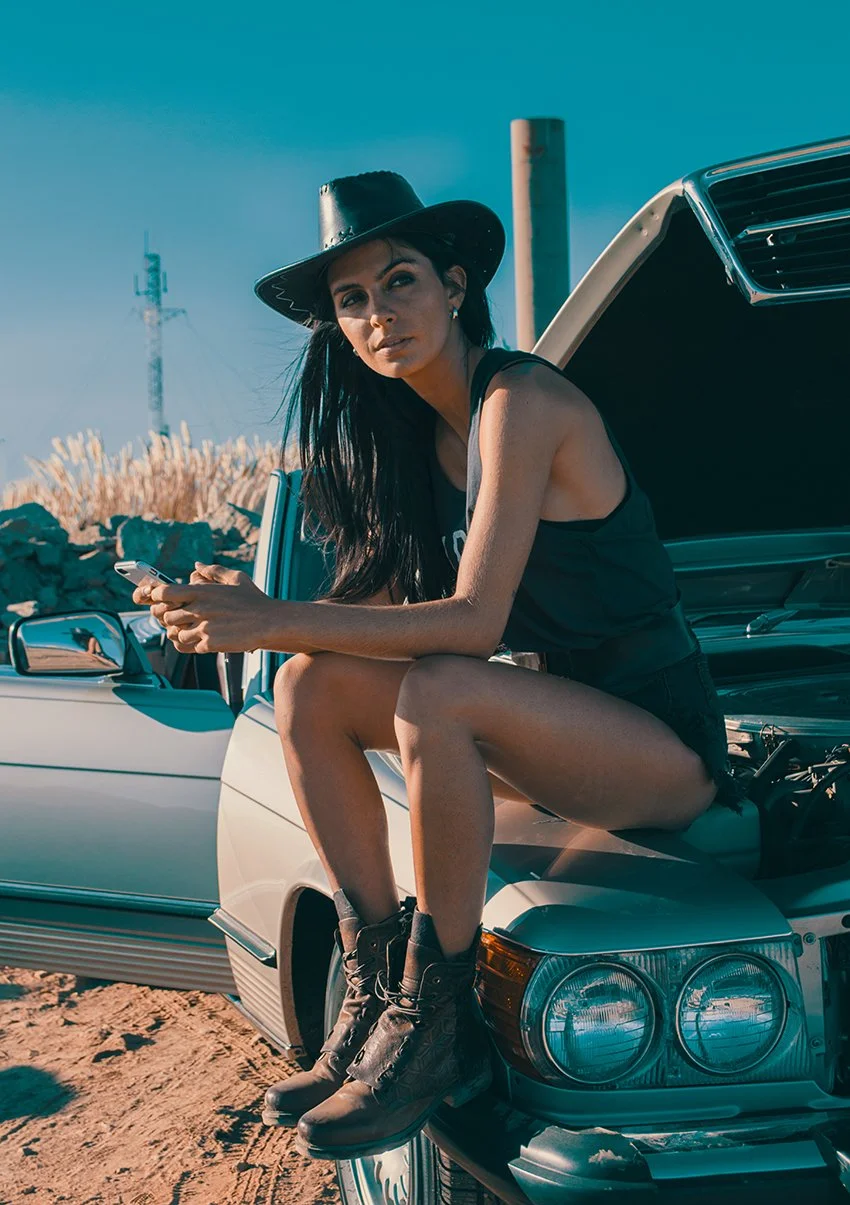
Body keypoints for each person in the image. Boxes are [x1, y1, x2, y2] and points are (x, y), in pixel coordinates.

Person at [135, 170, 744, 1162]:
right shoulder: (411, 440)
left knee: (441, 687)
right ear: (337, 326)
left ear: (455, 285)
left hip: (655, 741)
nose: (380, 314)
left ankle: (434, 1020)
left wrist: (272, 613)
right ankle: (375, 990)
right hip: (556, 724)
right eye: (352, 300)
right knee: (309, 685)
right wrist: (221, 613)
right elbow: (365, 620)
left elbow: (467, 622)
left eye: (400, 281)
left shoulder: (523, 397)